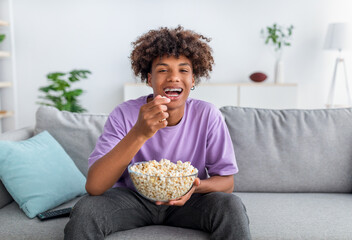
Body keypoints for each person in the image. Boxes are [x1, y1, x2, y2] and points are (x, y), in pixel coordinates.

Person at [64, 25, 251, 240]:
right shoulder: (124, 114)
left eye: (183, 70)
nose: (174, 77)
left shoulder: (207, 115)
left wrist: (193, 187)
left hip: (188, 201)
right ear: (149, 79)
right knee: (87, 209)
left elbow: (227, 182)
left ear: (193, 80)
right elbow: (95, 186)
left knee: (231, 206)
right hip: (132, 199)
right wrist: (139, 133)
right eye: (163, 70)